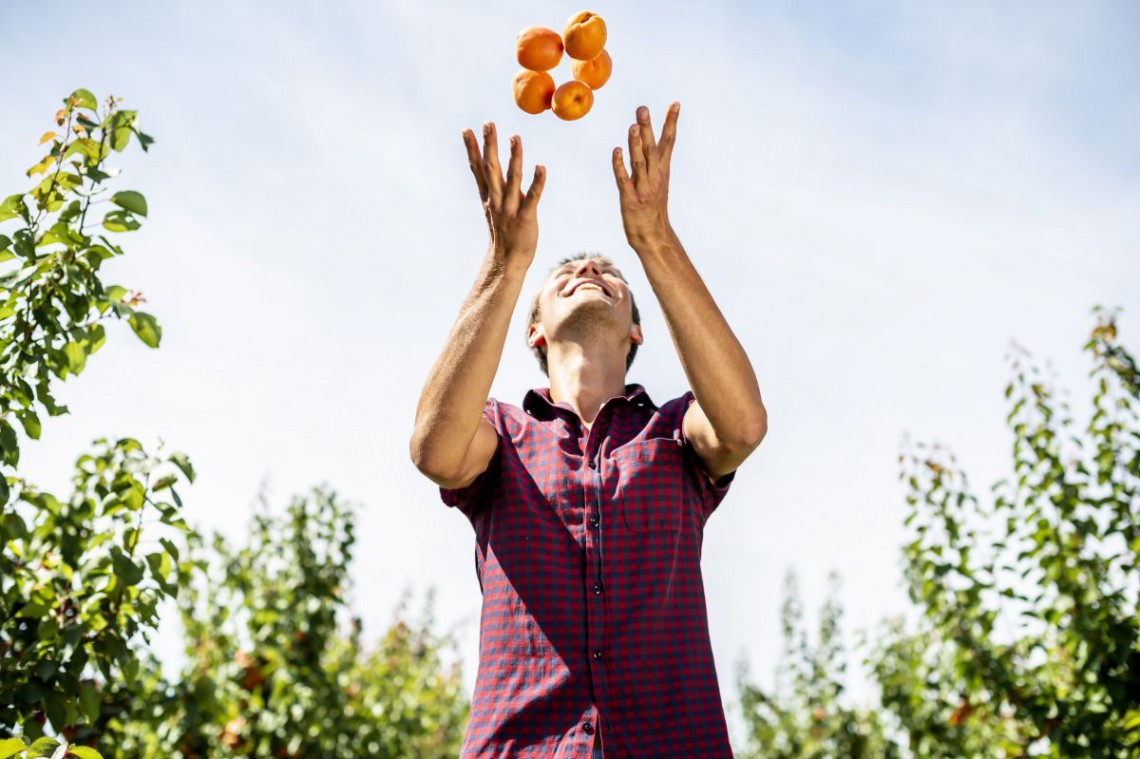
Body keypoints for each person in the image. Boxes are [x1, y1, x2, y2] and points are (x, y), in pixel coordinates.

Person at [410, 102, 767, 759]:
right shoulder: (502, 434)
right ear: (535, 330)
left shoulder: (673, 431)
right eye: (565, 274)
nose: (589, 270)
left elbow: (743, 423)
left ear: (636, 328)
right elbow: (435, 451)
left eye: (610, 275)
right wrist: (505, 262)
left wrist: (654, 240)